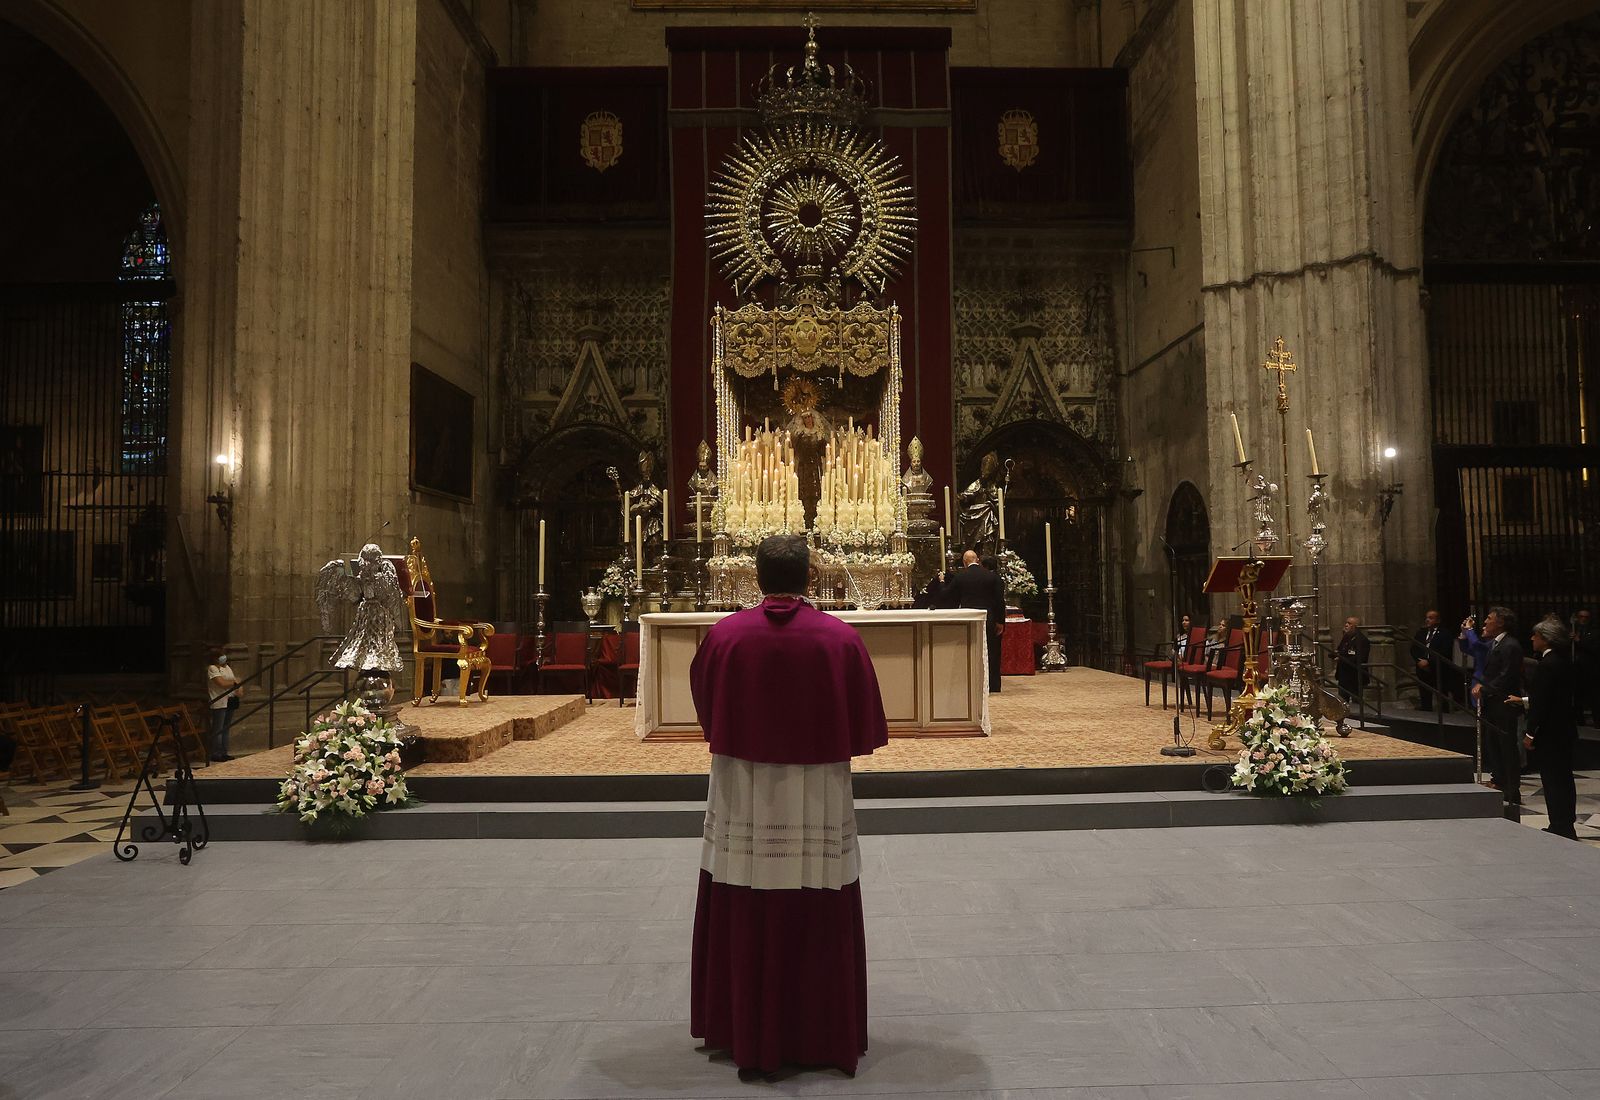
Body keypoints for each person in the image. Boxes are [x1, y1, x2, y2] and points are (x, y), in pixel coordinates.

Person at [689, 534, 888, 1076]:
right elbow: (865, 714)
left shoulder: (725, 637)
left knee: (745, 886)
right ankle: (821, 1028)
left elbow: (706, 702)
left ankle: (742, 1026)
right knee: (816, 887)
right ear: (810, 577)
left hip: (744, 786)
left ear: (757, 578)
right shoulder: (839, 639)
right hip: (817, 788)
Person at [1511, 619, 1579, 839]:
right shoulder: (1563, 661)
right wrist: (1524, 700)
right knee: (1564, 779)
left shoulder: (1547, 664)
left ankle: (1559, 824)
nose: (1532, 638)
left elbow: (1543, 703)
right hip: (1565, 730)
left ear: (1546, 638)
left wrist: (1530, 733)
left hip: (1550, 733)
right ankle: (1566, 822)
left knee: (1552, 779)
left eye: (1535, 635)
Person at [935, 549, 1007, 692]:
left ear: (964, 562)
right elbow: (1000, 601)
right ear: (978, 560)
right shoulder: (992, 577)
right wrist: (1000, 621)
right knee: (992, 651)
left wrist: (942, 582)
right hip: (989, 618)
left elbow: (946, 596)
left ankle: (970, 683)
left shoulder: (961, 577)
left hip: (968, 618)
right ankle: (993, 685)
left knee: (969, 650)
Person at [1475, 605, 1523, 800]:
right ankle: (1499, 780)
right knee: (1493, 743)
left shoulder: (1510, 645)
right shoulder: (1496, 644)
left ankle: (1512, 789)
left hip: (1503, 703)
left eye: (1489, 618)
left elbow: (1506, 675)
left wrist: (1484, 688)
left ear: (1501, 622)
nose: (1485, 621)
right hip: (1492, 702)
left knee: (1506, 746)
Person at [1410, 610, 1452, 711]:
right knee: (1425, 693)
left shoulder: (1444, 633)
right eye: (1427, 617)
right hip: (1422, 668)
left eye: (1431, 618)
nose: (1427, 620)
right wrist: (1419, 660)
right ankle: (1426, 711)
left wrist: (1429, 661)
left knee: (1441, 694)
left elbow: (1445, 651)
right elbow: (1413, 649)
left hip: (1437, 668)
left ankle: (1445, 714)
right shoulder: (1421, 632)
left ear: (1438, 620)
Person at [205, 647, 241, 762]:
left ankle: (224, 752)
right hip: (219, 701)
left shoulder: (227, 668)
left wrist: (238, 687)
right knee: (218, 728)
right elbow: (221, 683)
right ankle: (216, 753)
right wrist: (235, 683)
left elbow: (236, 680)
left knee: (226, 728)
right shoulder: (212, 668)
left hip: (230, 699)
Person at [1572, 607, 1599, 727]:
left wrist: (1579, 641)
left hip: (1590, 669)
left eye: (1586, 617)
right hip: (1576, 668)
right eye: (1581, 617)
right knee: (1577, 695)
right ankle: (1579, 720)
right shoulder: (1574, 630)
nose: (1583, 619)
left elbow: (1595, 649)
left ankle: (1597, 720)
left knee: (1594, 696)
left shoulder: (1595, 632)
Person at [1333, 616, 1369, 704]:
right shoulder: (1346, 638)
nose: (1346, 625)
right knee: (1342, 700)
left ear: (1355, 626)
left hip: (1355, 675)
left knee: (1356, 700)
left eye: (1349, 623)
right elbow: (1340, 650)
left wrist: (1341, 659)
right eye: (1346, 623)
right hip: (1343, 674)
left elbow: (1360, 657)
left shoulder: (1362, 640)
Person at [1458, 613, 1490, 708]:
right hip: (1477, 678)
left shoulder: (1490, 645)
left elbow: (1475, 644)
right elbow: (1465, 648)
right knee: (1477, 708)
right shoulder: (1483, 646)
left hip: (1486, 680)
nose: (1483, 628)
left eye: (1486, 627)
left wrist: (1469, 629)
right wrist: (1464, 632)